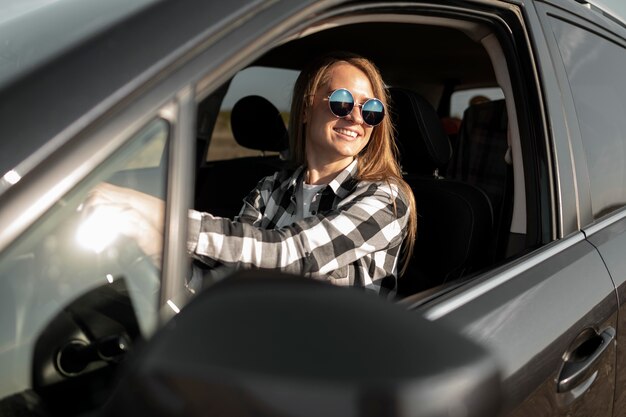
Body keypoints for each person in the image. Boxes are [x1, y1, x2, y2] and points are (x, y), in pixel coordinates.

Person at [86, 51, 417, 296]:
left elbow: (287, 253)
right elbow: (223, 283)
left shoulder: (386, 199)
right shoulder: (270, 189)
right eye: (342, 102)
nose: (357, 119)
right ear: (306, 107)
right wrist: (154, 248)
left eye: (371, 110)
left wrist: (159, 215)